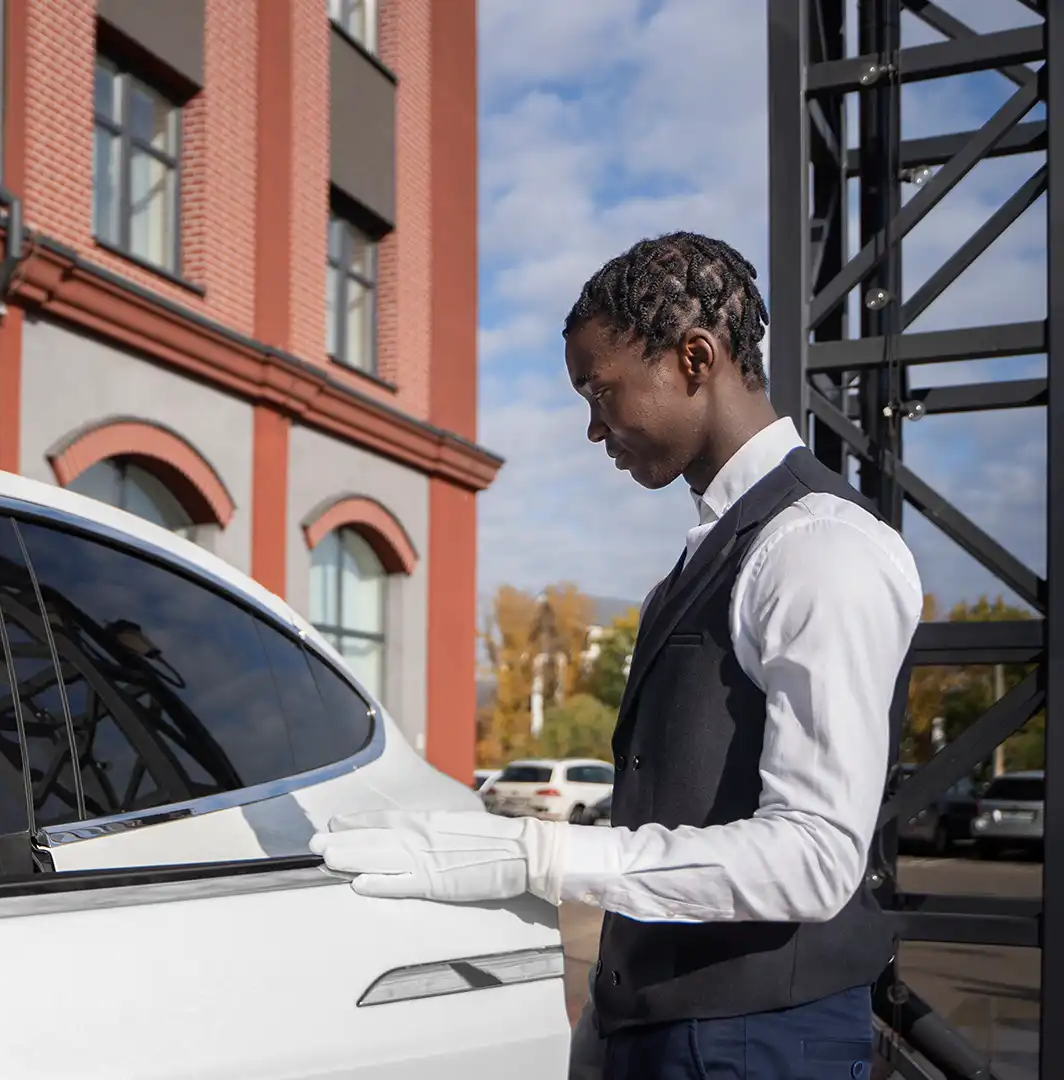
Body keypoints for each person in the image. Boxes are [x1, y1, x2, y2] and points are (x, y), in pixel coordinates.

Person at [312, 232, 921, 1078]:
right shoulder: (716, 549)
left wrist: (538, 856)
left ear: (695, 358)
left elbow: (814, 859)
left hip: (758, 1042)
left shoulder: (819, 547)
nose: (594, 428)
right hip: (660, 1032)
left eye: (602, 392)